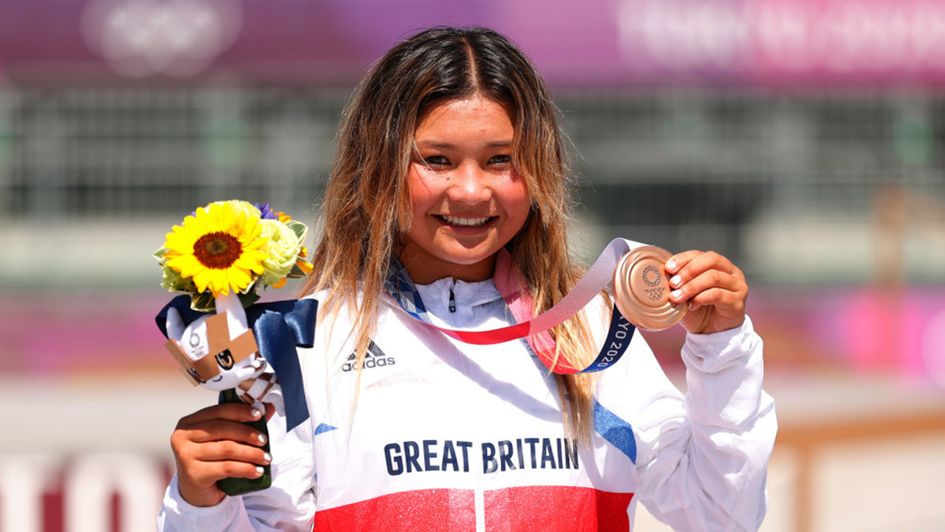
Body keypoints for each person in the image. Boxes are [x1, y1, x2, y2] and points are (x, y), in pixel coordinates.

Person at [158, 26, 776, 531]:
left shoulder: (592, 337)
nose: (473, 190)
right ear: (377, 165)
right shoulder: (305, 342)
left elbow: (719, 515)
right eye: (438, 160)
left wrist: (722, 352)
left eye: (501, 160)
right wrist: (200, 503)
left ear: (536, 170)